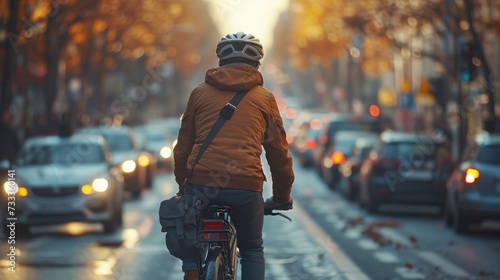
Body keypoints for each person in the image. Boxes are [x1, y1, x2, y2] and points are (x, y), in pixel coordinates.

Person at [173, 32, 294, 280]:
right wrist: (281, 196)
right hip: (245, 186)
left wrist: (183, 185)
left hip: (201, 183)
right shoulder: (265, 99)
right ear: (256, 64)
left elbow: (183, 147)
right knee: (251, 249)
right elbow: (278, 154)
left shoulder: (199, 93)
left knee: (190, 234)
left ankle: (192, 270)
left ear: (220, 61)